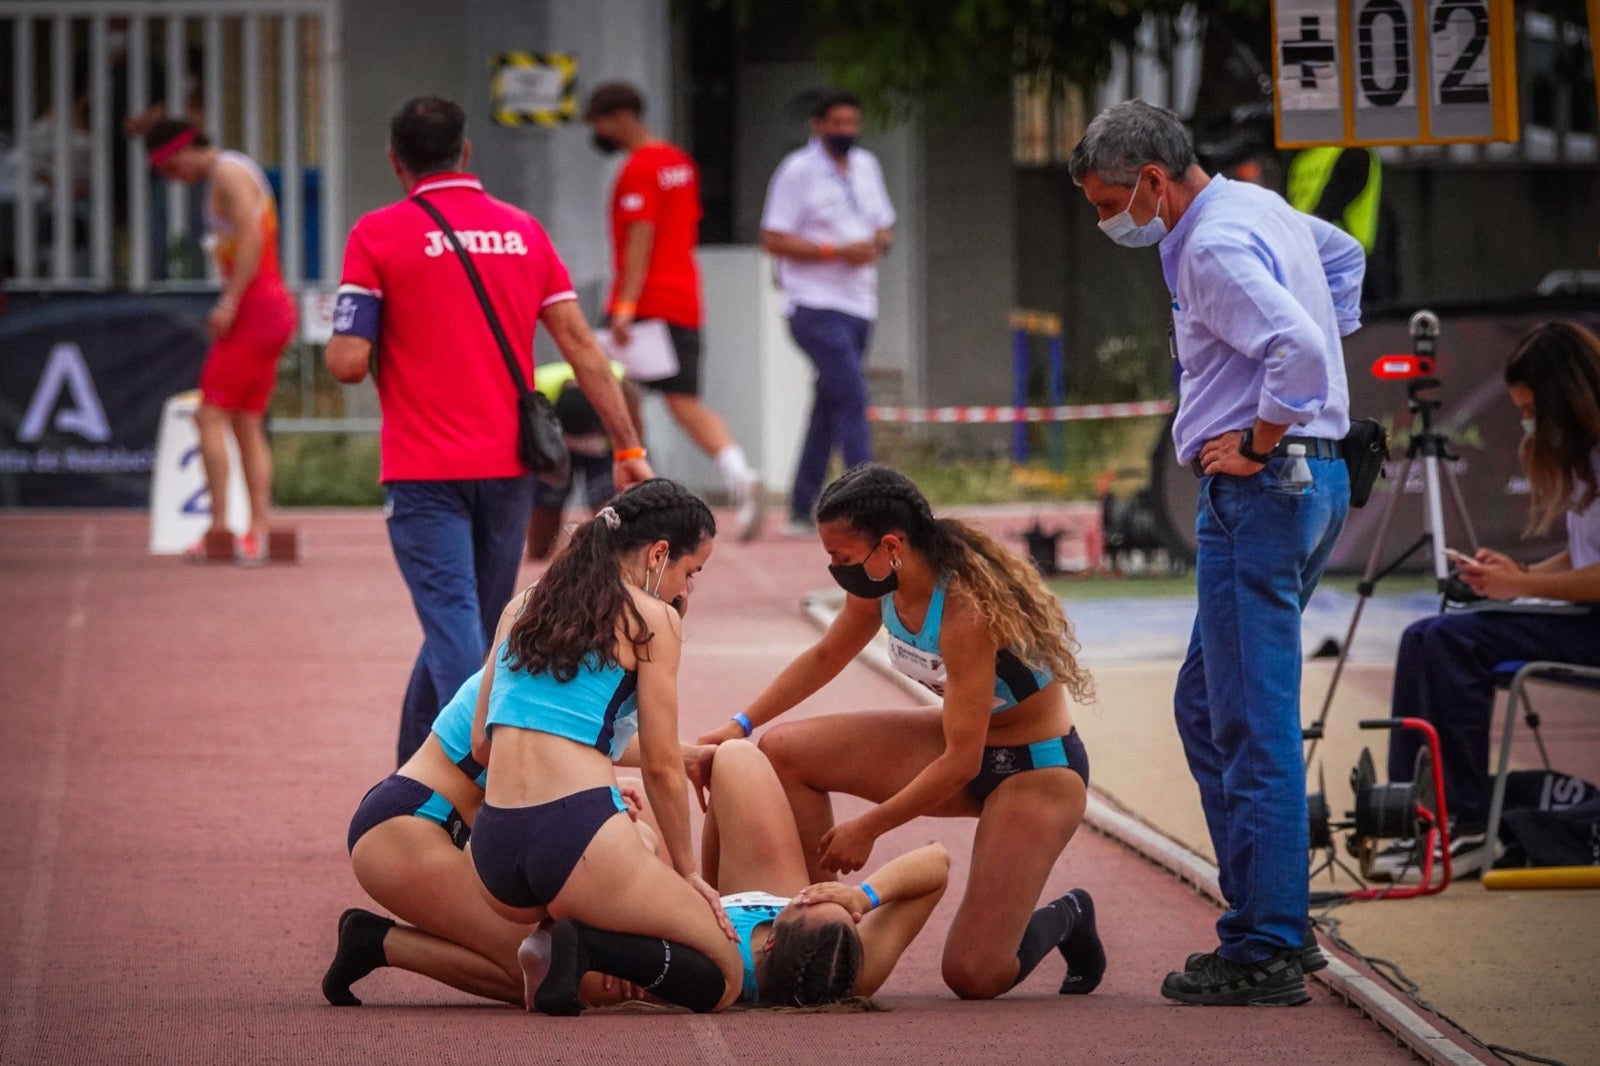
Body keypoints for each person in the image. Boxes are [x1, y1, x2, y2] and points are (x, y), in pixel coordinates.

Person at [1068, 99, 1362, 1006]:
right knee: (1209, 702)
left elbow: (1296, 343)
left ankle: (1268, 941)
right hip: (1309, 483)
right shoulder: (1254, 206)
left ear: (1154, 180)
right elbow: (1343, 261)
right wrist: (1310, 403)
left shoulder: (1209, 243)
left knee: (1246, 718)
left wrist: (1270, 434)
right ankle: (1272, 916)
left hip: (1263, 492)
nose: (1107, 219)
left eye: (1109, 201)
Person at [695, 463, 1105, 1002]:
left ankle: (1070, 915)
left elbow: (961, 761)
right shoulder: (878, 580)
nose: (834, 568)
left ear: (891, 545)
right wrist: (739, 724)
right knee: (784, 750)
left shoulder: (965, 613)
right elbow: (827, 653)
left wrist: (868, 827)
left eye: (841, 557)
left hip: (1035, 769)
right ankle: (822, 932)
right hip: (962, 744)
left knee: (973, 974)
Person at [324, 95, 652, 766]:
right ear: (465, 153)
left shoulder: (377, 235)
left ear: (396, 162)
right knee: (466, 626)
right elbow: (583, 348)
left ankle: (483, 775)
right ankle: (409, 781)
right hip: (509, 467)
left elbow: (347, 363)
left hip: (423, 470)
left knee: (456, 629)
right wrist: (629, 447)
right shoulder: (523, 232)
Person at [468, 478, 743, 1016]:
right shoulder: (652, 619)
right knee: (724, 976)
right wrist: (688, 876)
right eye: (690, 573)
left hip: (495, 851)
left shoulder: (523, 604)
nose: (685, 591)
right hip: (573, 835)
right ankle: (585, 942)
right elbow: (662, 768)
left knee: (634, 835)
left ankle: (552, 934)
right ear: (658, 554)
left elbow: (481, 744)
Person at [1377, 322, 1600, 879]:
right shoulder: (1585, 455)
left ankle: (1471, 823)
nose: (1527, 421)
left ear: (1565, 400)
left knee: (1454, 642)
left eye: (1531, 409)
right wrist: (1516, 572)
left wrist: (1520, 586)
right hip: (1583, 616)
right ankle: (1412, 819)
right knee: (1425, 634)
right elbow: (1582, 554)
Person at [323, 666, 664, 1008]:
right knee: (566, 977)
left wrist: (687, 756)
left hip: (430, 822)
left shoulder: (559, 663)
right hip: (403, 829)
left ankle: (374, 941)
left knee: (553, 968)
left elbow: (579, 752)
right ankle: (379, 943)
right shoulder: (535, 665)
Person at [581, 82, 763, 541]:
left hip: (644, 305)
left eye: (598, 123)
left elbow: (641, 235)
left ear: (618, 116)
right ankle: (739, 474)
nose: (597, 134)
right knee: (683, 401)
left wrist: (624, 304)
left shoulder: (639, 170)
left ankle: (637, 490)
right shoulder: (680, 164)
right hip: (684, 299)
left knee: (613, 390)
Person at [696, 738, 949, 1006]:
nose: (812, 893)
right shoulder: (853, 974)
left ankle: (710, 888)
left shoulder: (717, 971)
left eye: (804, 900)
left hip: (724, 923)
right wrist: (862, 898)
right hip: (756, 902)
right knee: (737, 756)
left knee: (727, 760)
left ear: (770, 944)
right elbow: (937, 861)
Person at [146, 118, 296, 564]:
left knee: (210, 414)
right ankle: (256, 532)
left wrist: (229, 302)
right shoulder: (227, 171)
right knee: (246, 423)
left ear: (187, 148)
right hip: (265, 305)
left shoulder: (228, 173)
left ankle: (222, 527)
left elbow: (251, 235)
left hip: (256, 306)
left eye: (172, 167)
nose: (174, 179)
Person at [760, 90, 895, 536]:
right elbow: (774, 238)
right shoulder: (797, 172)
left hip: (860, 300)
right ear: (818, 125)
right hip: (813, 304)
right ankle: (869, 506)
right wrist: (834, 250)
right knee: (853, 394)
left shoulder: (867, 166)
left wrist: (875, 246)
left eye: (852, 123)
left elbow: (883, 226)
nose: (845, 132)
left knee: (830, 400)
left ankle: (802, 504)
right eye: (836, 123)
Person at [525, 360, 642, 561]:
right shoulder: (535, 387)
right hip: (553, 443)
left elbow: (636, 428)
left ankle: (614, 551)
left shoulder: (621, 387)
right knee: (541, 534)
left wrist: (631, 455)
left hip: (604, 447)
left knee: (610, 507)